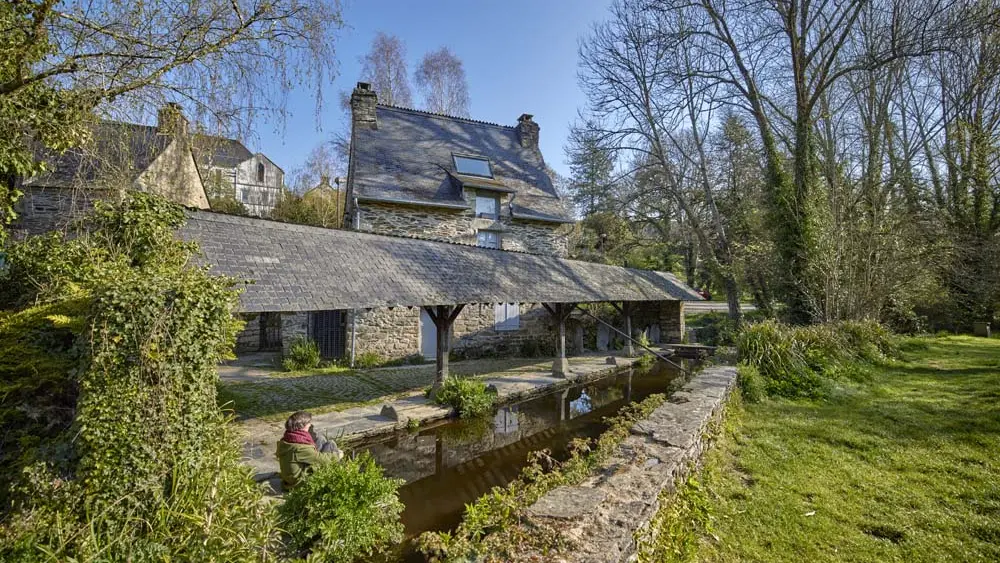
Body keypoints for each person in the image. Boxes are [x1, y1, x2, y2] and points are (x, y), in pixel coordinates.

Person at [276, 411, 344, 490]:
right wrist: (338, 455)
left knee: (320, 439)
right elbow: (322, 459)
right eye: (308, 422)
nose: (310, 424)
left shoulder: (289, 438)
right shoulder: (300, 448)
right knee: (331, 444)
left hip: (291, 477)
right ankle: (338, 476)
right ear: (302, 426)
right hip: (299, 482)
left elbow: (311, 443)